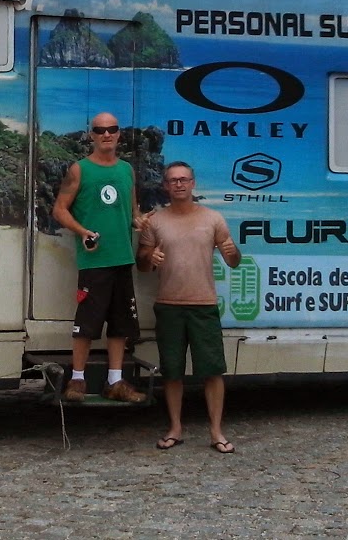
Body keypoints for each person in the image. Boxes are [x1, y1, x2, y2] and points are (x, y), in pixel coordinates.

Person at [137, 161, 241, 453]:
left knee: (213, 371)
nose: (179, 184)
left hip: (204, 305)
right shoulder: (156, 221)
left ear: (193, 183)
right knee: (172, 371)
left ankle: (216, 432)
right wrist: (149, 257)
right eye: (173, 180)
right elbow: (142, 263)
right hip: (168, 305)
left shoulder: (213, 218)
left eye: (184, 179)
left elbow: (234, 260)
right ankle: (175, 428)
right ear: (165, 186)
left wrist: (233, 252)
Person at [51, 112, 149, 404]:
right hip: (94, 261)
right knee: (87, 325)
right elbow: (59, 209)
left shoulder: (127, 170)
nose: (106, 134)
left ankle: (115, 381)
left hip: (122, 258)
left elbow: (132, 212)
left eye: (112, 129)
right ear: (91, 135)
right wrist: (82, 232)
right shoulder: (79, 169)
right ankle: (77, 379)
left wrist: (139, 221)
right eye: (100, 130)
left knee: (120, 324)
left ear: (119, 134)